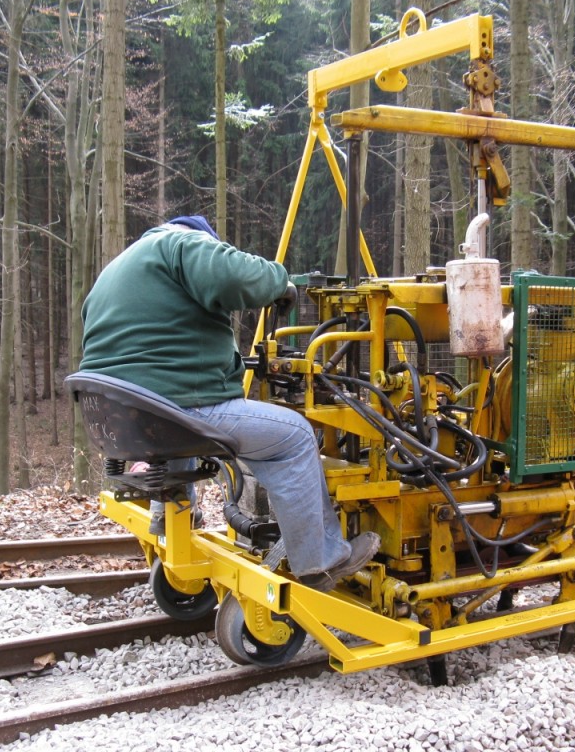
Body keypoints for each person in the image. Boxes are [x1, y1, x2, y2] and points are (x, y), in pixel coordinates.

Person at [80, 216, 379, 592]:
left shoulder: (119, 267)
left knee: (169, 423)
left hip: (121, 416)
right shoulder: (182, 244)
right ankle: (320, 560)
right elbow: (235, 277)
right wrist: (279, 282)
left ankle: (164, 514)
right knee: (295, 436)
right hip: (177, 408)